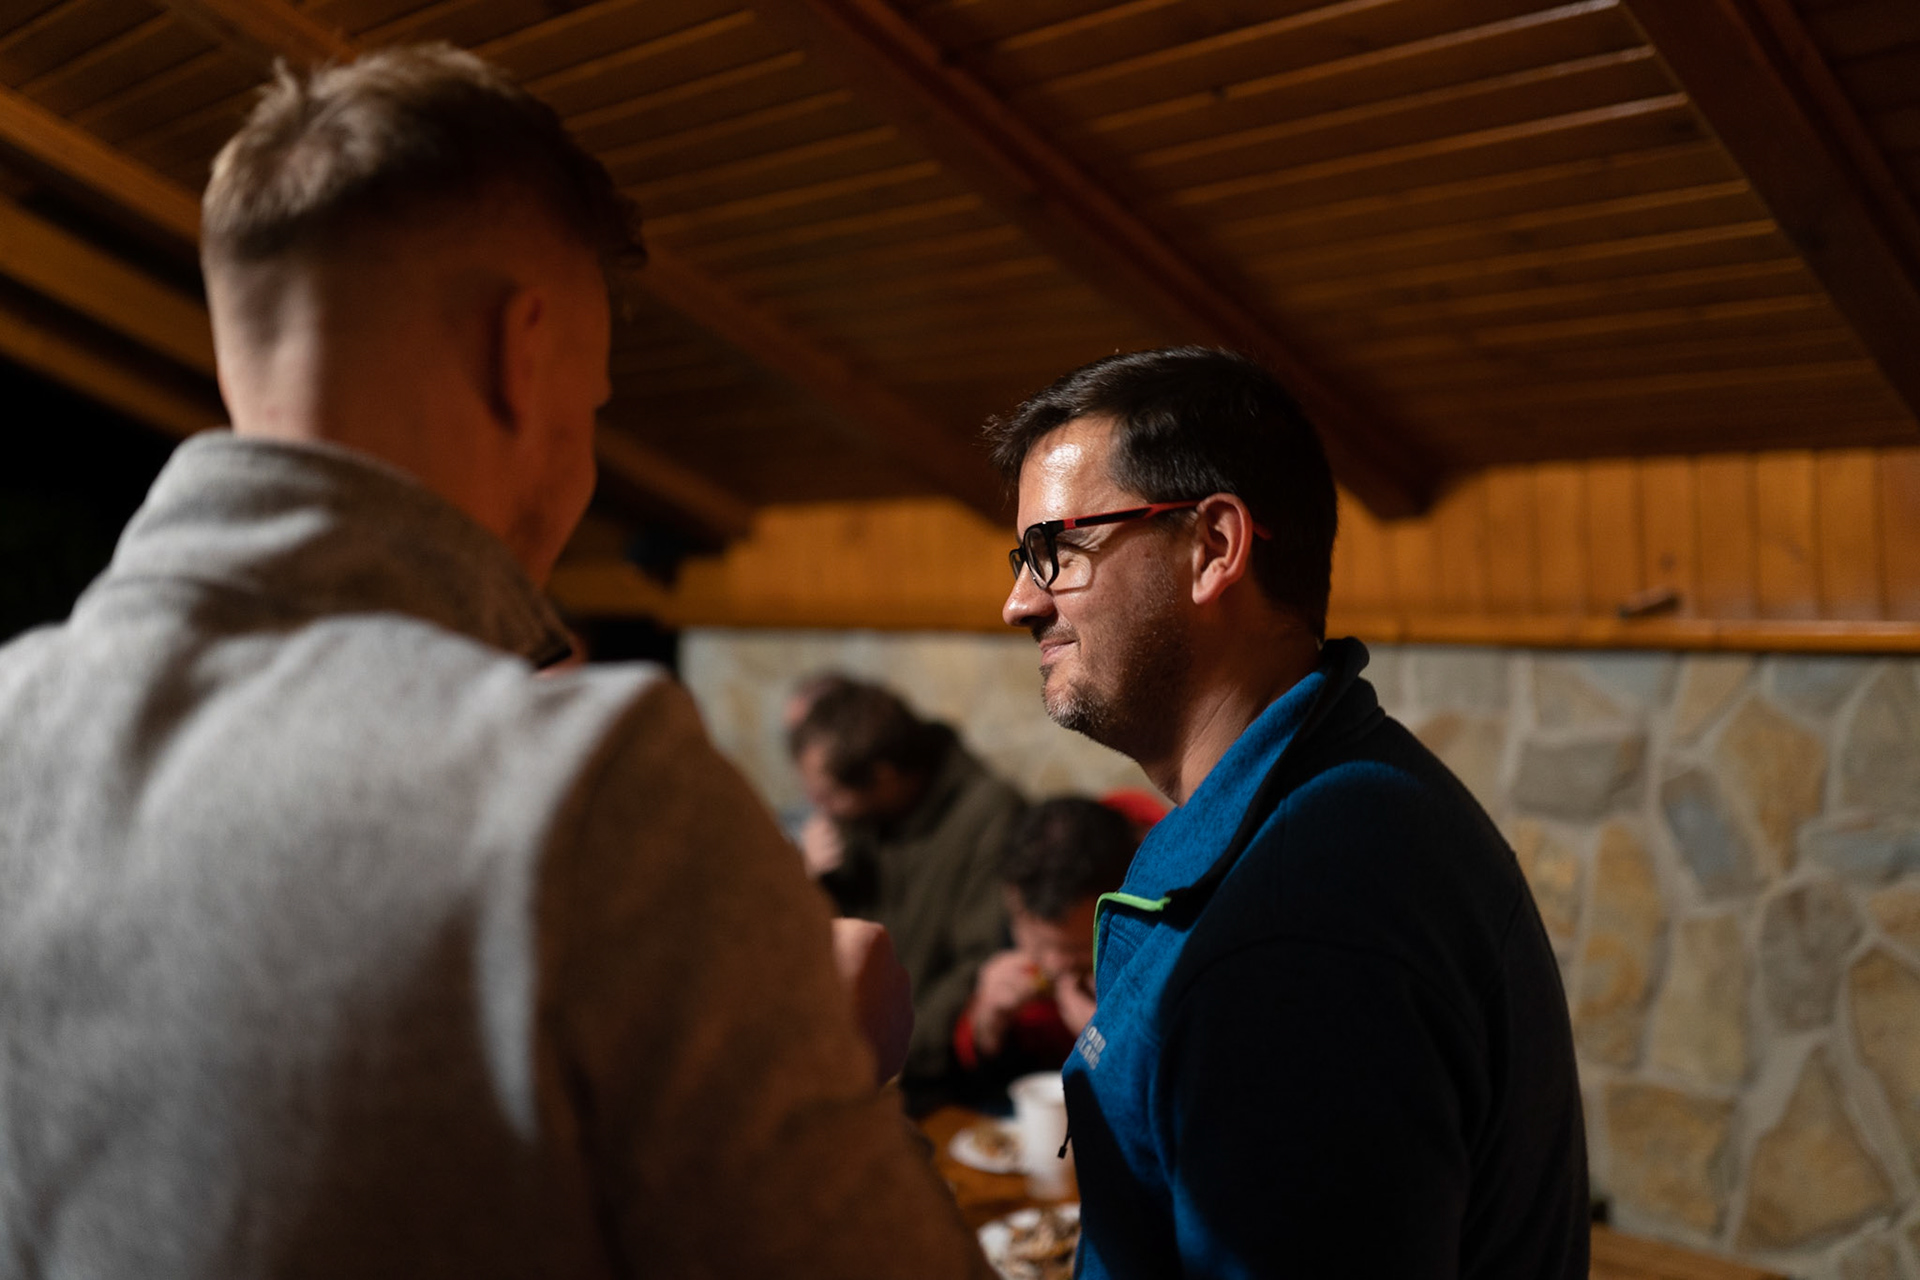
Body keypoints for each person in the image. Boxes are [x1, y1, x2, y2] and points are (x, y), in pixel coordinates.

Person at [0, 46, 990, 1279]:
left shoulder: (14, 715)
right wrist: (829, 1057)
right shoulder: (590, 789)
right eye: (595, 399)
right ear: (521, 352)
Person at [988, 347, 1588, 1279]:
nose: (1019, 601)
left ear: (1213, 548)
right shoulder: (1330, 800)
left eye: (1054, 552)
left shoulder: (1298, 932)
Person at [789, 678, 1024, 1104]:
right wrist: (806, 879)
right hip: (842, 1059)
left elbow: (977, 967)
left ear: (884, 777)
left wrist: (878, 1056)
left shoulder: (990, 815)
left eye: (828, 795)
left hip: (929, 1079)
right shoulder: (854, 818)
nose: (817, 807)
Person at [952, 797, 1134, 1089]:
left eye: (1075, 948)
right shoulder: (1005, 918)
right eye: (1036, 943)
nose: (1053, 964)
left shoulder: (1171, 933)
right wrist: (985, 1028)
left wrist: (1110, 1041)